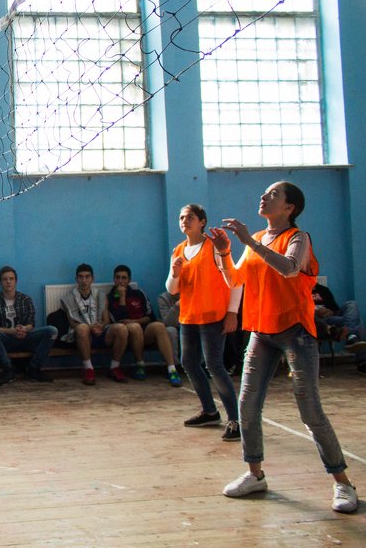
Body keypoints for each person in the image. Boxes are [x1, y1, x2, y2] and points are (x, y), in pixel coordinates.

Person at [212, 181, 358, 513]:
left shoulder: (298, 238)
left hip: (296, 331)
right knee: (247, 408)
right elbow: (234, 280)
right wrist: (223, 253)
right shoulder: (257, 241)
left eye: (274, 194)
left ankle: (343, 484)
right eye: (264, 192)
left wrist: (247, 240)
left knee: (310, 411)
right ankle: (255, 474)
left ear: (289, 208)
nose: (264, 196)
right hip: (261, 332)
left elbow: (290, 268)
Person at [166, 204, 242, 441]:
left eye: (190, 217)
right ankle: (210, 411)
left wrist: (232, 312)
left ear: (202, 222)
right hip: (189, 316)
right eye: (181, 217)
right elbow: (171, 289)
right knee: (188, 362)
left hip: (213, 316)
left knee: (214, 365)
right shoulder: (178, 251)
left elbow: (236, 280)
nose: (184, 221)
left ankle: (236, 420)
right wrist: (175, 273)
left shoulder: (214, 247)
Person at [107, 265, 182, 386]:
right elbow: (119, 320)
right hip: (127, 335)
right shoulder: (110, 297)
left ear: (129, 280)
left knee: (158, 326)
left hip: (145, 331)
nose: (121, 281)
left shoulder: (138, 293)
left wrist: (135, 321)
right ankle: (140, 366)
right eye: (118, 278)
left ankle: (172, 369)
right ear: (114, 279)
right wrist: (122, 297)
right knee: (134, 328)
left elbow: (150, 316)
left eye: (124, 278)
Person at [0, 266, 57, 386]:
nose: (8, 282)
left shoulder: (25, 299)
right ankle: (8, 370)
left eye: (11, 279)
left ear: (16, 281)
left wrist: (24, 329)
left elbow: (31, 323)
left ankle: (33, 369)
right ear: (0, 282)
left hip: (26, 337)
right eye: (5, 279)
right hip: (6, 340)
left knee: (52, 330)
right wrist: (12, 331)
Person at [60, 263, 128, 385]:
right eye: (81, 277)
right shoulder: (69, 298)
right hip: (83, 335)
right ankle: (88, 369)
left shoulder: (100, 295)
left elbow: (106, 319)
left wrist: (101, 326)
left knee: (121, 328)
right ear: (76, 279)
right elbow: (72, 323)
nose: (84, 280)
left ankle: (114, 367)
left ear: (93, 279)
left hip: (101, 332)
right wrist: (90, 328)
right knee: (82, 328)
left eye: (87, 276)